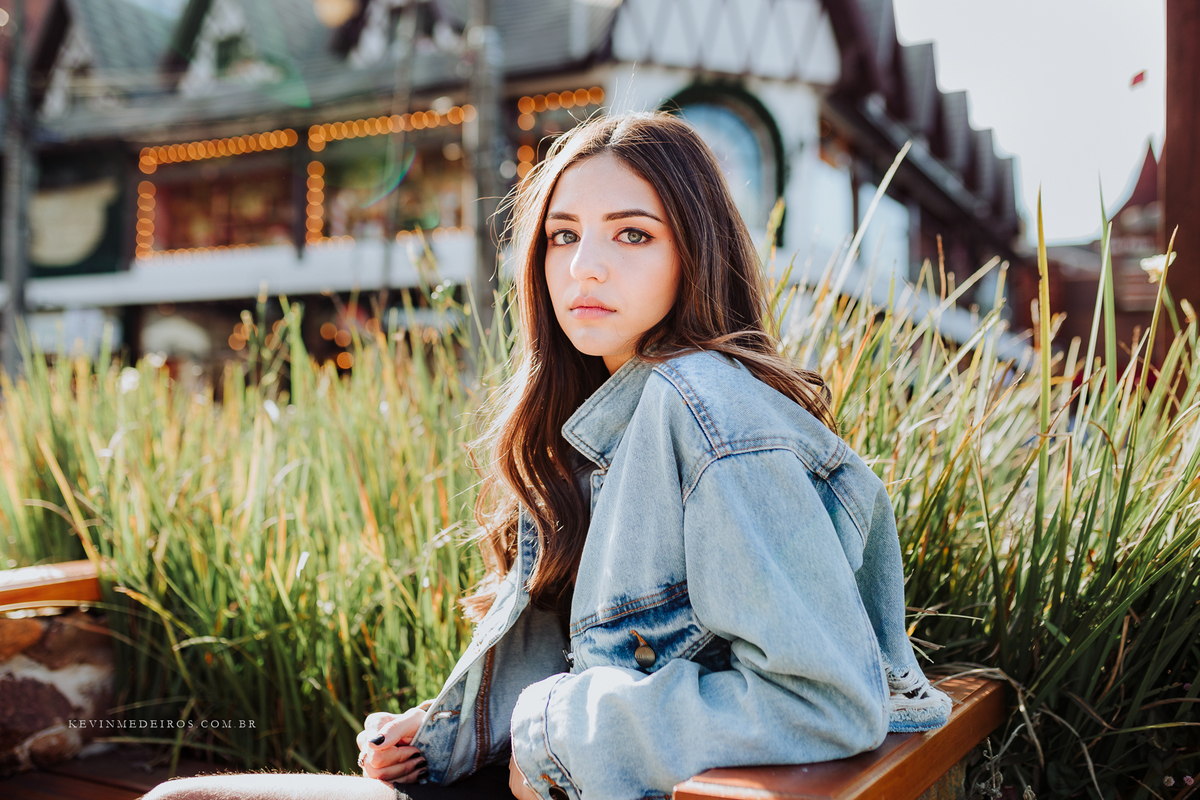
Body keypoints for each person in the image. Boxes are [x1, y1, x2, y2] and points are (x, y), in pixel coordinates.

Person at [143, 111, 950, 800]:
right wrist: (447, 731)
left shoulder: (707, 411)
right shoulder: (598, 422)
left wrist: (555, 736)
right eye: (563, 235)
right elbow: (604, 663)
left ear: (695, 251)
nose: (583, 266)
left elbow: (822, 703)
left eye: (632, 233)